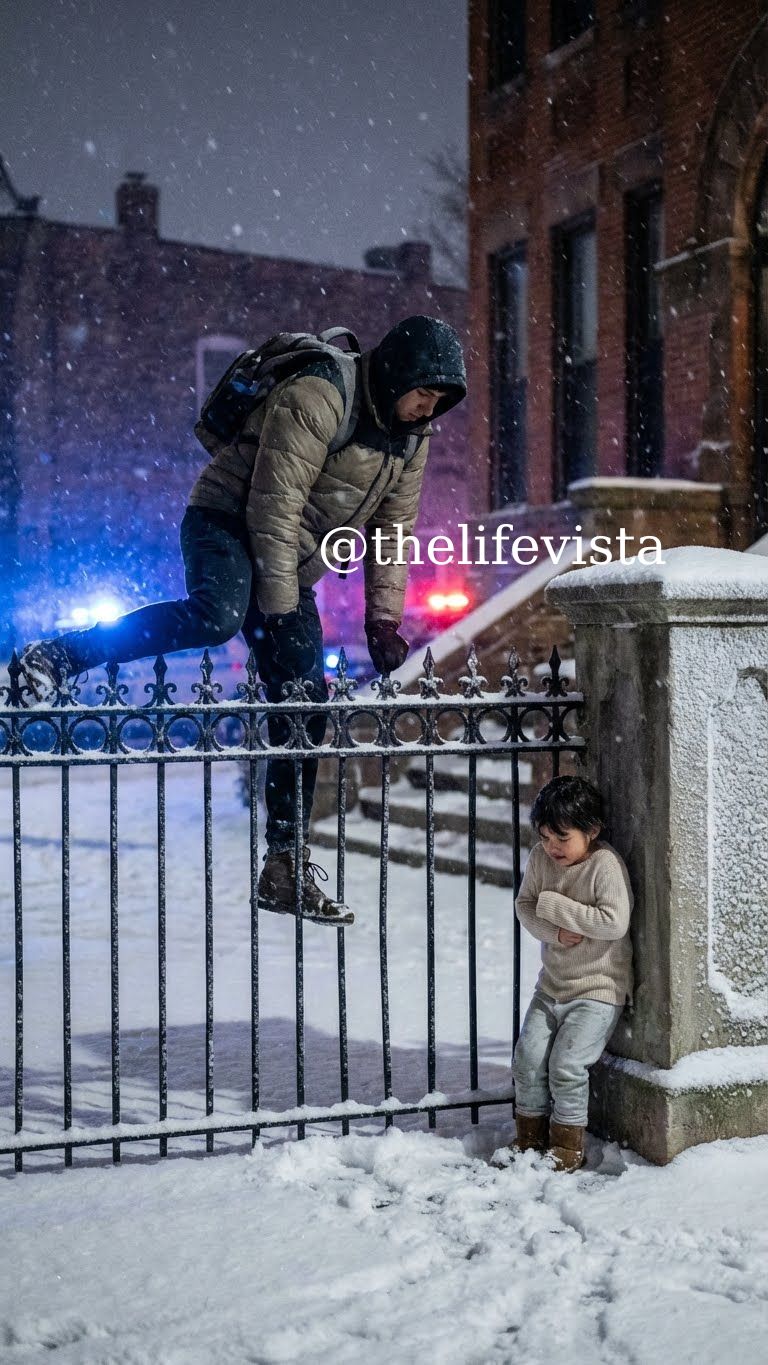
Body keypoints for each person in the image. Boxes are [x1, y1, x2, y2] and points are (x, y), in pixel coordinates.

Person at [19, 314, 467, 924]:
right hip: (226, 520)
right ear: (396, 374)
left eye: (439, 402)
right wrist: (281, 612)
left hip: (291, 554)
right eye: (425, 393)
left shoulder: (411, 438)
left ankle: (284, 867)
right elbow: (273, 508)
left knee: (306, 702)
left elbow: (393, 530)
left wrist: (382, 621)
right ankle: (61, 656)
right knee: (215, 616)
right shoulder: (319, 394)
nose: (427, 409)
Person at [511, 775, 633, 1171]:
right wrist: (555, 931)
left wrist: (554, 903)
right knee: (527, 1060)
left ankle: (567, 1147)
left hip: (598, 988)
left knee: (566, 1066)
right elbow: (526, 906)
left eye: (562, 838)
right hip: (551, 986)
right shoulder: (539, 859)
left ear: (592, 830)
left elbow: (613, 922)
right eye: (546, 837)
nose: (552, 847)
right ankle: (528, 1137)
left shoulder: (605, 865)